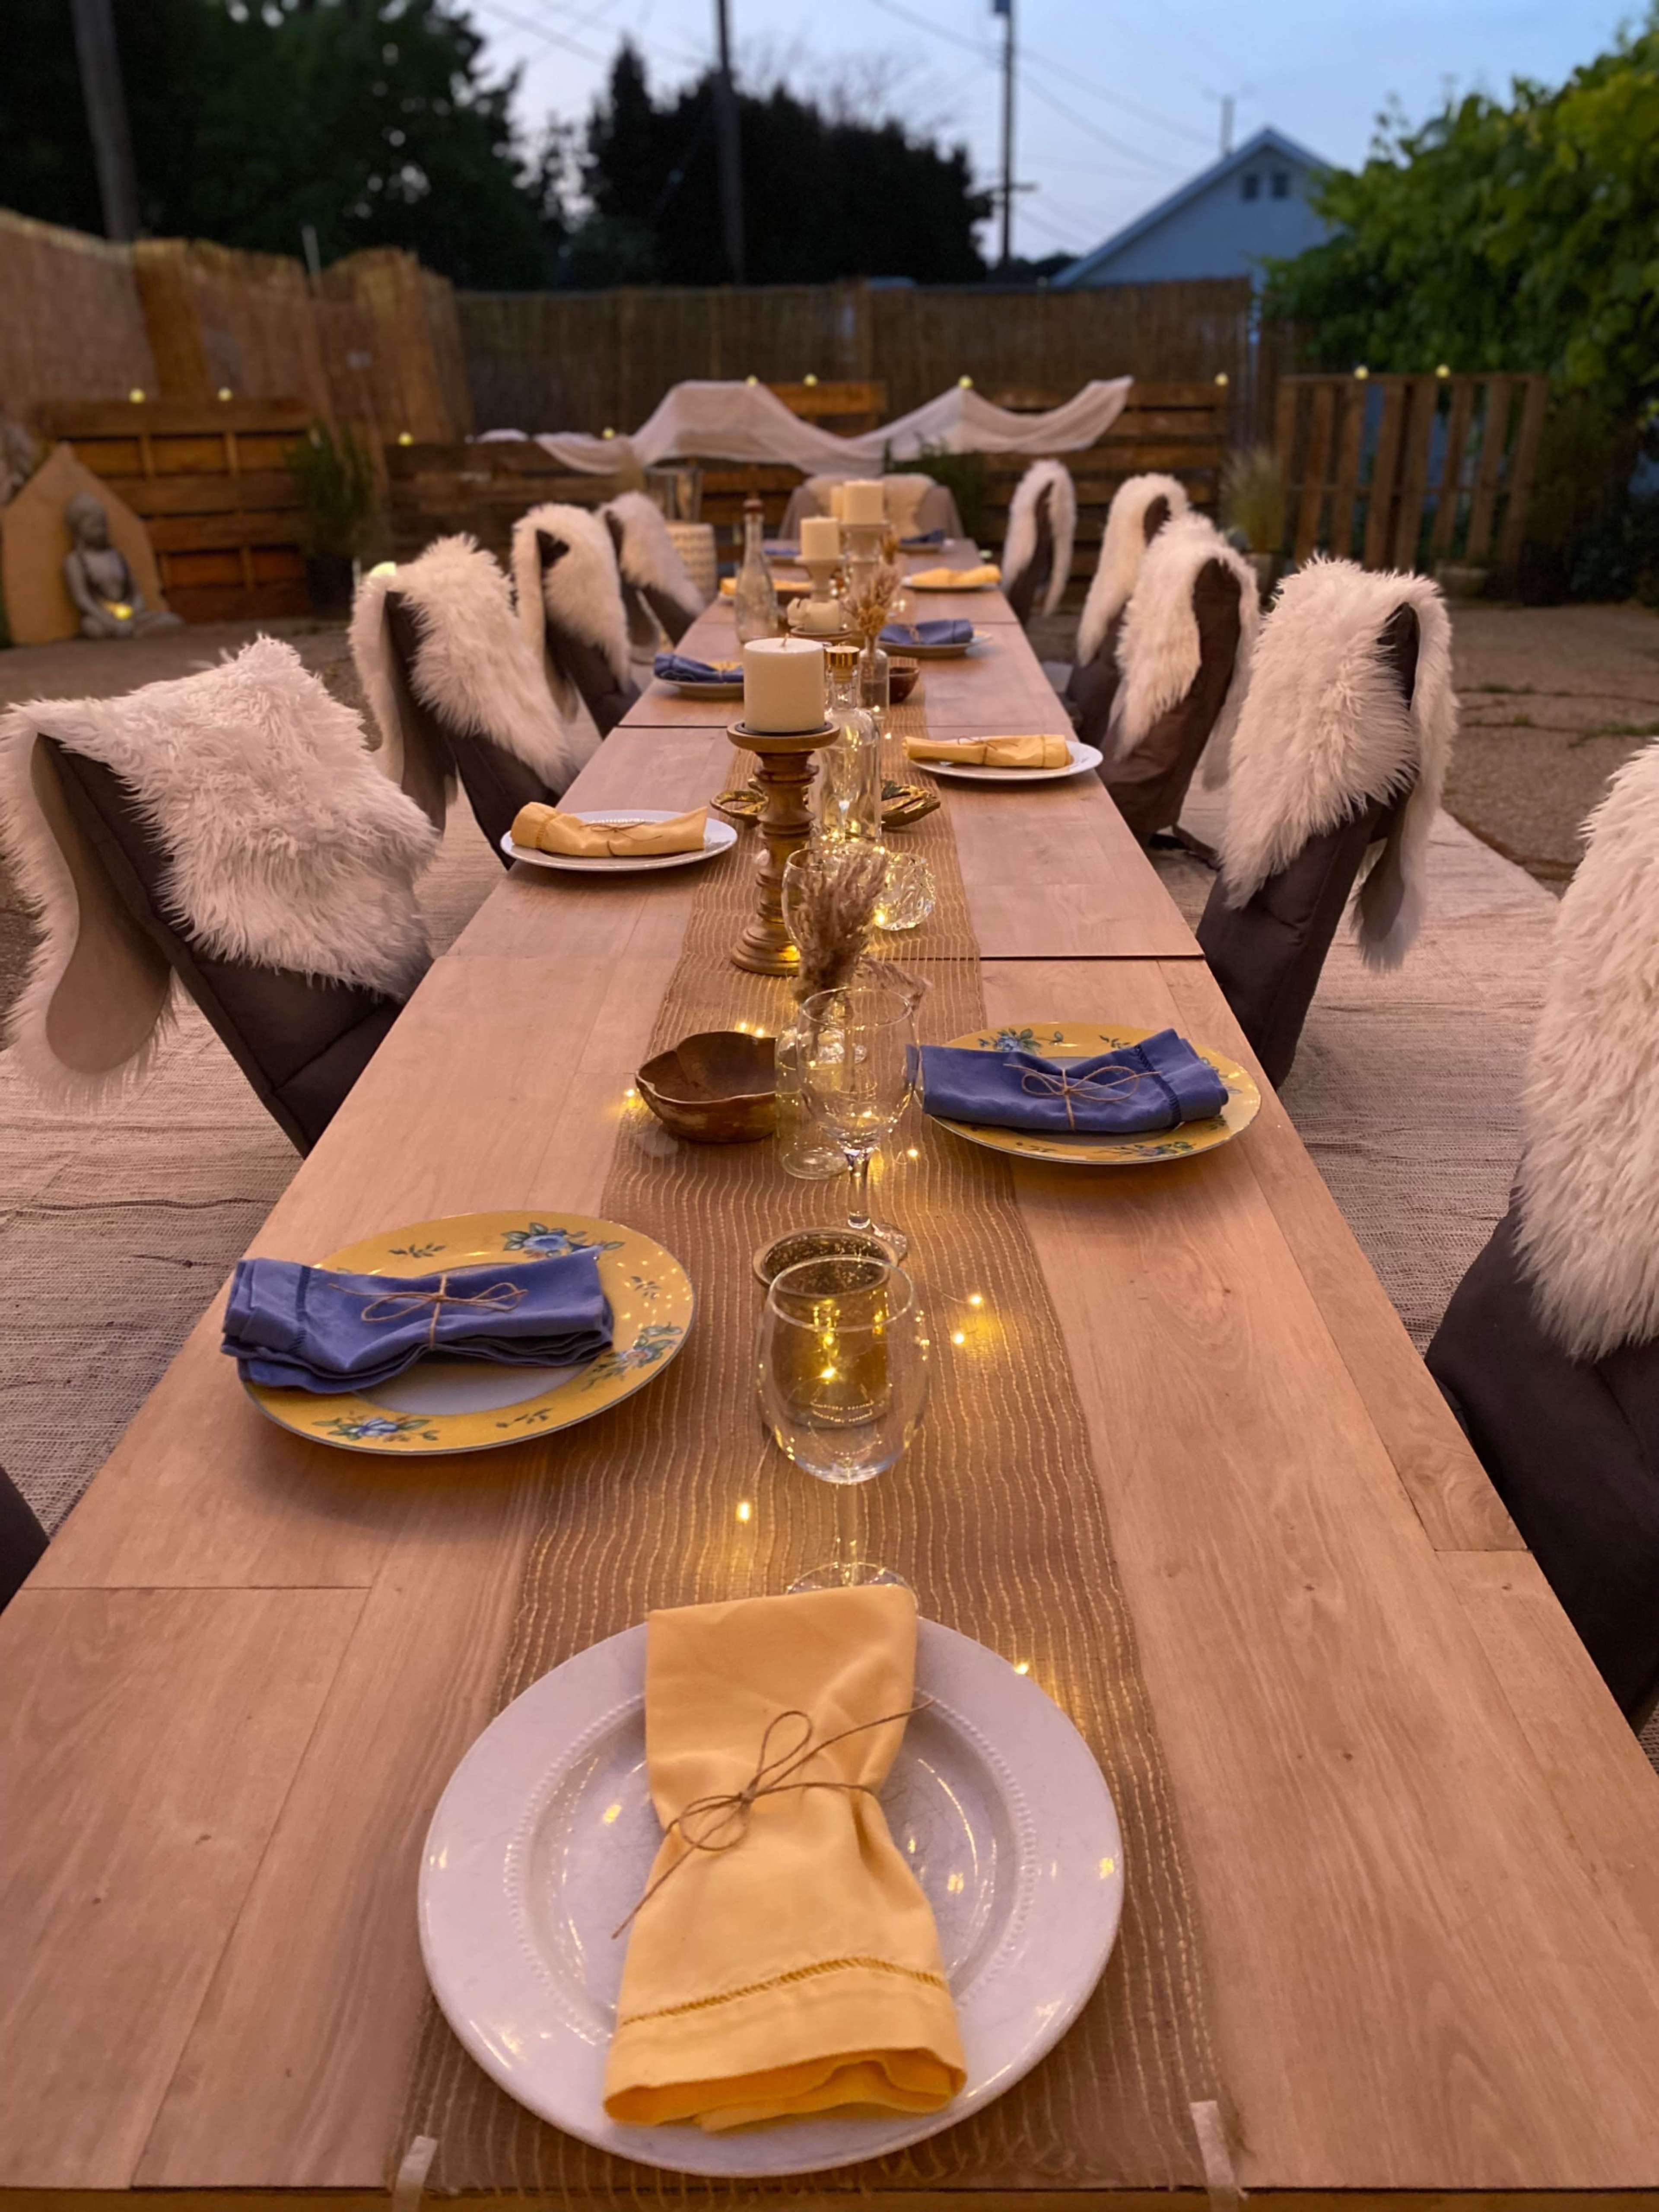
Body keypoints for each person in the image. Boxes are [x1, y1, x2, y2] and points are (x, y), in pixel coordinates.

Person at [62, 492, 180, 640]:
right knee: (91, 627)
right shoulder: (75, 561)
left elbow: (136, 592)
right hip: (103, 617)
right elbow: (82, 599)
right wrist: (108, 620)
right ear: (79, 530)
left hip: (130, 613)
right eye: (94, 526)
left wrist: (135, 610)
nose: (100, 531)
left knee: (172, 620)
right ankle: (128, 631)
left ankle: (135, 632)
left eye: (103, 525)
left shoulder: (117, 556)